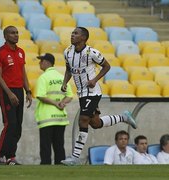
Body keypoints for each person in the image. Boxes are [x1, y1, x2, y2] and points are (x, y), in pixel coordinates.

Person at [60, 27, 137, 166]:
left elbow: (107, 66)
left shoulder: (92, 52)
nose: (72, 35)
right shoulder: (67, 52)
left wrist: (95, 79)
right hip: (81, 93)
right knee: (95, 123)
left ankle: (74, 157)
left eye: (76, 33)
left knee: (83, 119)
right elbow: (68, 70)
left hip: (93, 91)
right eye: (72, 33)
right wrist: (65, 82)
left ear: (83, 38)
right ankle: (123, 117)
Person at [0, 25, 32, 165]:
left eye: (17, 33)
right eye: (12, 33)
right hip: (6, 91)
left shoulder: (21, 52)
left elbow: (23, 72)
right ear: (5, 36)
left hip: (19, 91)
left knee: (18, 126)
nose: (16, 35)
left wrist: (28, 91)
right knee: (10, 124)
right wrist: (9, 93)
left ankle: (10, 156)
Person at [35, 53, 73, 165]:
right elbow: (70, 95)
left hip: (46, 118)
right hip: (61, 118)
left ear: (47, 62)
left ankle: (46, 169)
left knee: (46, 147)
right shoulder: (62, 77)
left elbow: (41, 96)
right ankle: (60, 169)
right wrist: (62, 103)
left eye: (41, 61)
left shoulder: (43, 77)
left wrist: (55, 103)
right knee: (59, 146)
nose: (39, 63)